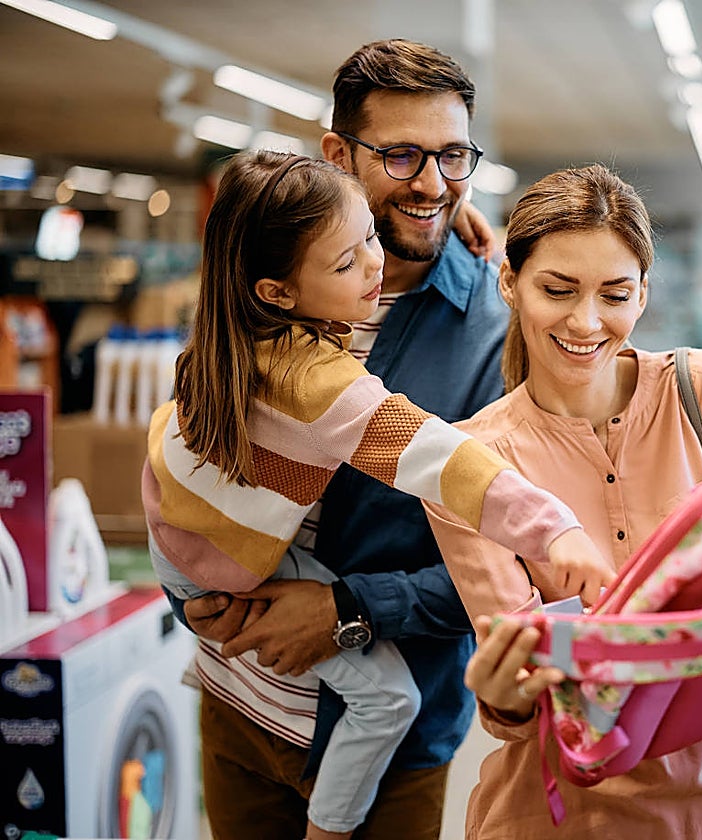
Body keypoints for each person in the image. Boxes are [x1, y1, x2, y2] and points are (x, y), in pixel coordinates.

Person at [146, 149, 612, 840]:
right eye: (347, 260)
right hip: (226, 602)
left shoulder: (227, 331)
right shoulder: (320, 383)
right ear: (278, 290)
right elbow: (447, 462)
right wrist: (555, 529)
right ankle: (330, 830)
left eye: (370, 235)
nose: (375, 264)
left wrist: (455, 225)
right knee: (389, 698)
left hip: (184, 541)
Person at [425, 163, 702, 839]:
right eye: (557, 289)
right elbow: (526, 702)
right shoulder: (472, 463)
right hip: (555, 822)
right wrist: (506, 696)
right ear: (510, 283)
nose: (586, 321)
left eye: (614, 294)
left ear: (643, 293)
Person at [173, 40, 517, 840]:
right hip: (240, 704)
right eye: (401, 155)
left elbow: (510, 567)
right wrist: (189, 596)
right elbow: (192, 449)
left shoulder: (494, 335)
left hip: (391, 746)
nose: (432, 183)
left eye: (452, 155)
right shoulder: (265, 284)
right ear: (337, 154)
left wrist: (347, 610)